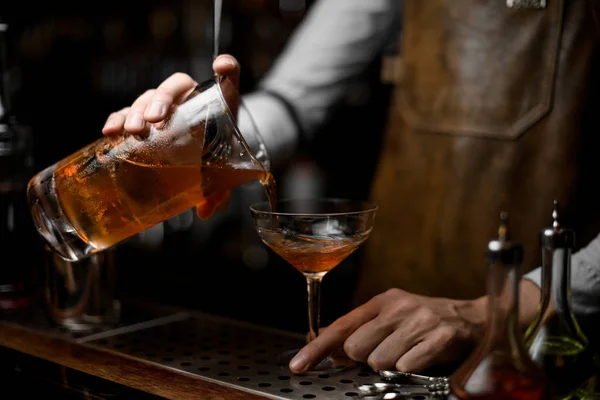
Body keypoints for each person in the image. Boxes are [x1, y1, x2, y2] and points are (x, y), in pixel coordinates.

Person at [100, 0, 600, 374]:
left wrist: (503, 309)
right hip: (389, 317)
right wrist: (208, 137)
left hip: (556, 339)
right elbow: (295, 98)